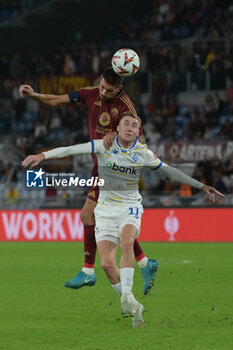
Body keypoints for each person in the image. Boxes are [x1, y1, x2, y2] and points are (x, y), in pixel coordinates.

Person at [22, 112, 224, 328]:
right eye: (126, 123)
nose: (130, 127)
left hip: (130, 207)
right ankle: (136, 306)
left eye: (134, 125)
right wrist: (43, 156)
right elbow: (72, 149)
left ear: (138, 132)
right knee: (107, 264)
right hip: (105, 210)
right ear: (116, 128)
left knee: (127, 242)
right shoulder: (103, 146)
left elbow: (170, 171)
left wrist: (201, 186)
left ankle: (126, 295)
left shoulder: (143, 153)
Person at [19, 67, 159, 295]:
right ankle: (144, 263)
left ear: (119, 89)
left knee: (87, 215)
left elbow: (140, 140)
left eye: (110, 90)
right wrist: (35, 95)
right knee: (100, 219)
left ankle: (88, 271)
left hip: (116, 170)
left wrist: (118, 136)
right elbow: (57, 101)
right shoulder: (90, 93)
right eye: (102, 86)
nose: (104, 92)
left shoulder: (126, 106)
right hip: (100, 166)